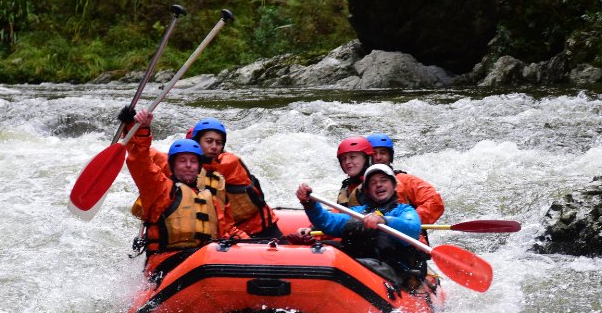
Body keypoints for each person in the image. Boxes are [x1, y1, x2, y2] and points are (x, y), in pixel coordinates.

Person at [119, 109, 280, 237]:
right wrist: (133, 127)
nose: (214, 147)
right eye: (209, 141)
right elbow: (140, 157)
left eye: (218, 143)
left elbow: (224, 225)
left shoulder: (227, 167)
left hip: (253, 228)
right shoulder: (173, 164)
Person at [126, 110, 248, 271]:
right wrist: (140, 128)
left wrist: (254, 247)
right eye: (182, 161)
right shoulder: (158, 188)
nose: (189, 165)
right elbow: (140, 159)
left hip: (202, 260)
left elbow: (227, 230)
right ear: (172, 165)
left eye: (193, 161)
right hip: (166, 263)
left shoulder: (210, 196)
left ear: (199, 167)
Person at [296, 164, 426, 286]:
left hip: (391, 271)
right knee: (328, 249)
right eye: (373, 183)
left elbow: (413, 228)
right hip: (356, 267)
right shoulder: (358, 212)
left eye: (383, 180)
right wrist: (310, 205)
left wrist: (384, 220)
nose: (379, 185)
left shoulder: (404, 210)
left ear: (394, 186)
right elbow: (329, 222)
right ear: (368, 190)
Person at [366, 132, 445, 225]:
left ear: (390, 156)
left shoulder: (406, 180)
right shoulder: (355, 187)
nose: (378, 157)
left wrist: (407, 220)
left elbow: (435, 202)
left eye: (383, 153)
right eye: (374, 154)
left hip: (405, 234)